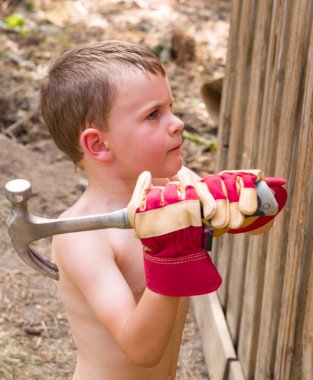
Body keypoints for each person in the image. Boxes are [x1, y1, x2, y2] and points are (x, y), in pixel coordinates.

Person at [40, 40, 286, 380]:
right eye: (154, 114)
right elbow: (141, 350)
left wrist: (247, 205)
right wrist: (170, 254)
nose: (178, 123)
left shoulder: (177, 183)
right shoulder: (82, 236)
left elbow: (257, 226)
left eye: (171, 107)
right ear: (98, 144)